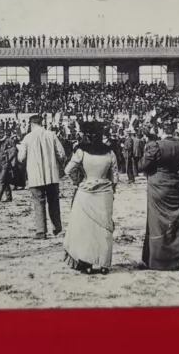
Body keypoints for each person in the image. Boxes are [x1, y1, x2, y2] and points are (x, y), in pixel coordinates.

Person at [138, 120, 179, 270]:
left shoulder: (155, 145)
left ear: (162, 131)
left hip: (157, 186)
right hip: (175, 185)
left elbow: (142, 166)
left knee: (156, 222)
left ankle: (157, 259)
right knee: (176, 221)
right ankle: (178, 257)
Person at [63, 121, 119, 274]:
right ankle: (104, 264)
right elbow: (115, 175)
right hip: (105, 191)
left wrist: (78, 181)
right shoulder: (110, 152)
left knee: (86, 228)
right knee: (104, 228)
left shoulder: (81, 151)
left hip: (86, 191)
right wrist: (111, 189)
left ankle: (87, 263)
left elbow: (68, 169)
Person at [17, 115, 66, 239]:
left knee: (38, 203)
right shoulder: (52, 135)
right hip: (51, 175)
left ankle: (41, 231)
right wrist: (58, 164)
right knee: (54, 202)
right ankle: (57, 229)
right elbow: (62, 154)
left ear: (31, 124)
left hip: (35, 175)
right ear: (41, 123)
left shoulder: (27, 138)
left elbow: (21, 158)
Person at [0, 130, 16, 202]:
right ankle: (9, 197)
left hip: (6, 162)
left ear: (4, 133)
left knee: (2, 179)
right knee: (5, 180)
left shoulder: (9, 140)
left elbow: (14, 150)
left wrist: (8, 158)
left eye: (0, 134)